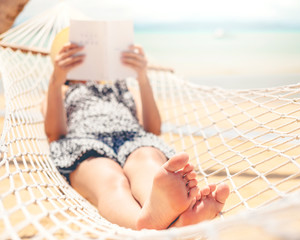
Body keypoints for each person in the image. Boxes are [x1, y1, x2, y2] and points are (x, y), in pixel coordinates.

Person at [43, 39, 230, 230]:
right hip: (84, 143)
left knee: (146, 159)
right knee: (110, 179)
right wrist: (56, 81)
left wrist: (142, 77)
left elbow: (153, 129)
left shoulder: (125, 89)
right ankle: (149, 222)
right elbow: (54, 133)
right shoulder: (61, 90)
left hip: (133, 138)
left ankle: (162, 215)